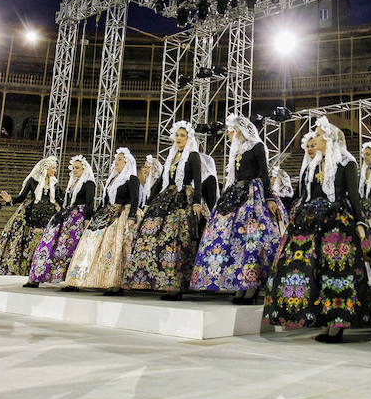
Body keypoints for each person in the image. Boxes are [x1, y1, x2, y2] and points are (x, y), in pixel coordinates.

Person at [263, 116, 371, 341]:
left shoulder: (347, 163)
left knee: (336, 272)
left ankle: (337, 324)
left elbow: (353, 196)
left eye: (319, 134)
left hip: (336, 223)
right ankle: (321, 320)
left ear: (328, 138)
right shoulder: (312, 164)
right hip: (308, 222)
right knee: (309, 271)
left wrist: (360, 222)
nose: (316, 138)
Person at [191, 114, 287, 303]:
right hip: (236, 193)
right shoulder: (237, 150)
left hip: (253, 193)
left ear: (240, 130)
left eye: (231, 130)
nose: (228, 133)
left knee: (251, 240)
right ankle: (239, 285)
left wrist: (268, 197)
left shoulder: (257, 146)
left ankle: (250, 288)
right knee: (233, 240)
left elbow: (265, 173)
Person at [123, 122, 208, 300]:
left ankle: (175, 286)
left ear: (189, 138)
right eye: (177, 135)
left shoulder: (192, 156)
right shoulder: (171, 156)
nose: (178, 139)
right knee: (151, 236)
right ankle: (156, 280)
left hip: (182, 199)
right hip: (166, 197)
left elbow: (198, 182)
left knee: (176, 240)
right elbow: (161, 180)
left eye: (182, 135)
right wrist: (148, 203)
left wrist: (196, 203)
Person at [64, 148, 139, 295]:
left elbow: (135, 199)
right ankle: (79, 279)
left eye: (120, 159)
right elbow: (105, 201)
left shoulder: (131, 178)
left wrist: (131, 216)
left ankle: (114, 283)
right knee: (89, 244)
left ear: (127, 162)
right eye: (116, 159)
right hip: (106, 215)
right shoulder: (112, 180)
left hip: (121, 215)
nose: (116, 162)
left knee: (113, 248)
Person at [25, 155, 95, 287]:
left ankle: (72, 281)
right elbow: (65, 201)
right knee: (49, 240)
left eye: (77, 168)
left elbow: (90, 202)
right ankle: (38, 275)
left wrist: (87, 219)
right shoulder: (72, 183)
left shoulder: (89, 183)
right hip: (67, 215)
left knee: (69, 247)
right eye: (73, 168)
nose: (74, 170)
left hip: (78, 218)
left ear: (84, 169)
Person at [0, 157, 61, 276]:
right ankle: (27, 268)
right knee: (30, 241)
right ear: (45, 168)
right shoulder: (32, 180)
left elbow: (59, 199)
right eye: (52, 168)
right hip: (32, 214)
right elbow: (22, 197)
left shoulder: (55, 183)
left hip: (50, 215)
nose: (54, 171)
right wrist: (10, 201)